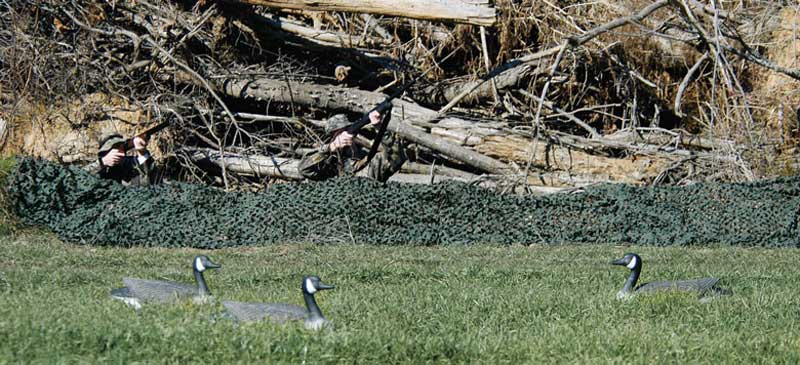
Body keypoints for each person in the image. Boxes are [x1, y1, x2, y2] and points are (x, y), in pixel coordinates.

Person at [298, 110, 407, 182]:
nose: (347, 137)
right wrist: (331, 147)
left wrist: (380, 128)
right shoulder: (326, 165)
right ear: (332, 138)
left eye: (348, 132)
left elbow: (397, 156)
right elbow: (304, 169)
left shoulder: (370, 162)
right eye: (339, 133)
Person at [85, 133, 157, 186]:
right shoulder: (96, 167)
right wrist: (102, 162)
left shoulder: (130, 164)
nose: (121, 154)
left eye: (122, 148)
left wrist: (142, 152)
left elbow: (149, 175)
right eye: (116, 149)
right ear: (105, 152)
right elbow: (80, 177)